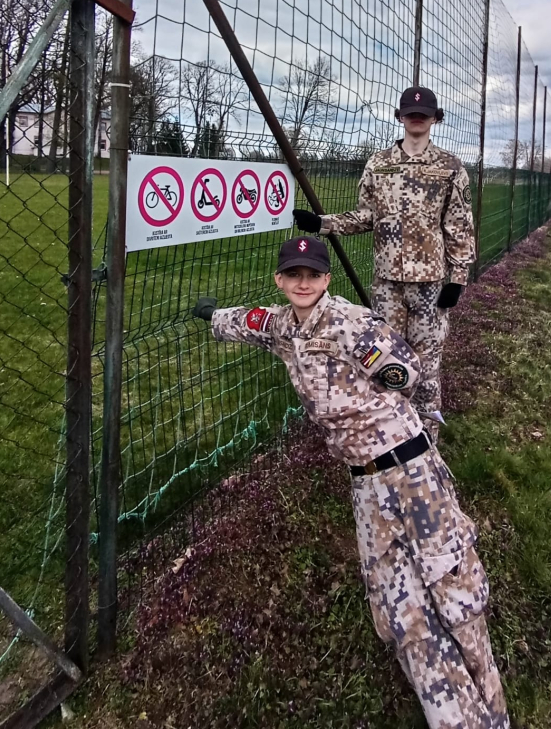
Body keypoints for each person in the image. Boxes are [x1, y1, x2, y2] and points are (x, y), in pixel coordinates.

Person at [191, 236, 509, 729]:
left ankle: (490, 705)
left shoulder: (350, 322)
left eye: (312, 274)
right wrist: (211, 317)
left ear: (326, 279)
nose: (302, 282)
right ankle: (454, 714)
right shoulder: (282, 326)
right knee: (398, 603)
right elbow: (249, 322)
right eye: (292, 274)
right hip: (365, 485)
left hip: (410, 471)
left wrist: (377, 367)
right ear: (280, 280)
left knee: (454, 586)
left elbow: (406, 371)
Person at [293, 86, 475, 439]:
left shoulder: (451, 168)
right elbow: (366, 216)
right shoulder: (379, 164)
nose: (416, 117)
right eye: (410, 111)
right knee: (383, 361)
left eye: (424, 112)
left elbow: (459, 227)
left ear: (435, 118)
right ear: (400, 117)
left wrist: (458, 279)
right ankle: (388, 435)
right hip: (387, 286)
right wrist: (323, 223)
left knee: (426, 366)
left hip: (431, 287)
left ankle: (427, 444)